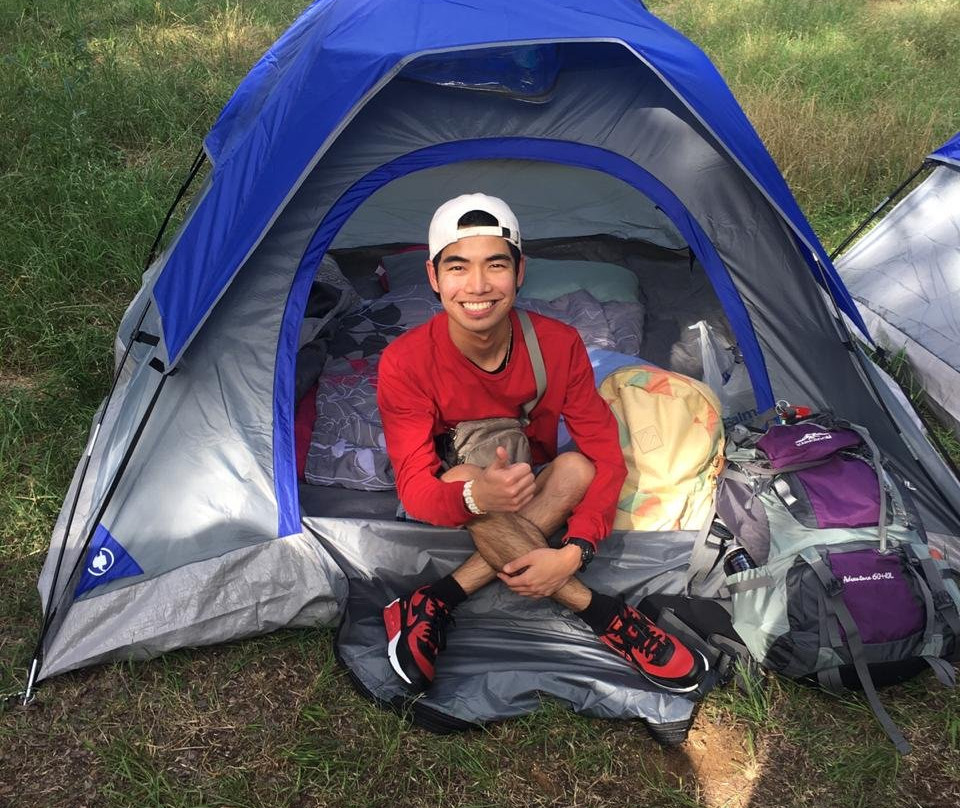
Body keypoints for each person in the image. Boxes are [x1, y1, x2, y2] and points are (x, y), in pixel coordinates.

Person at [376, 193, 707, 695]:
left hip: (532, 478)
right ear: (433, 276)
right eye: (458, 267)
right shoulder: (404, 362)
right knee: (467, 476)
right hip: (458, 486)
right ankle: (601, 613)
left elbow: (606, 456)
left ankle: (435, 599)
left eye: (496, 265)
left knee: (577, 466)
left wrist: (574, 552)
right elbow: (416, 489)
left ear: (520, 271)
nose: (478, 286)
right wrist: (474, 498)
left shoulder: (558, 344)